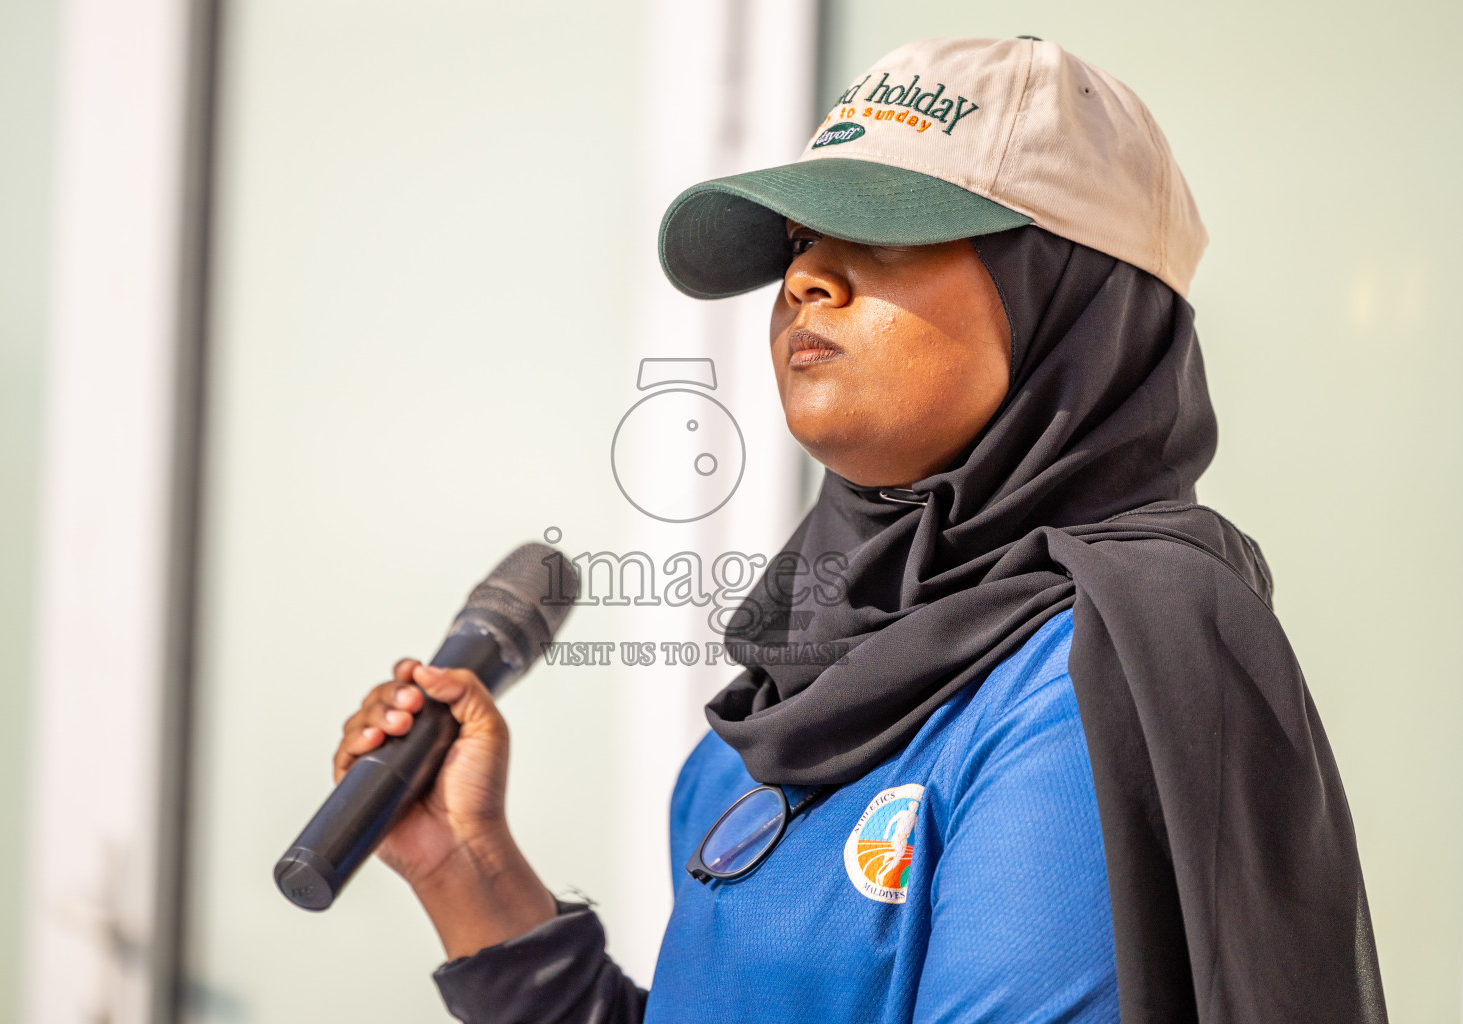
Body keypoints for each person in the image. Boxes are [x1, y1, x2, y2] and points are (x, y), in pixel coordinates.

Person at [333, 37, 1386, 1024]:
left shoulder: (1093, 671)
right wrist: (466, 868)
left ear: (1068, 299)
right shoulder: (768, 718)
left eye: (886, 230)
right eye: (799, 242)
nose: (805, 279)